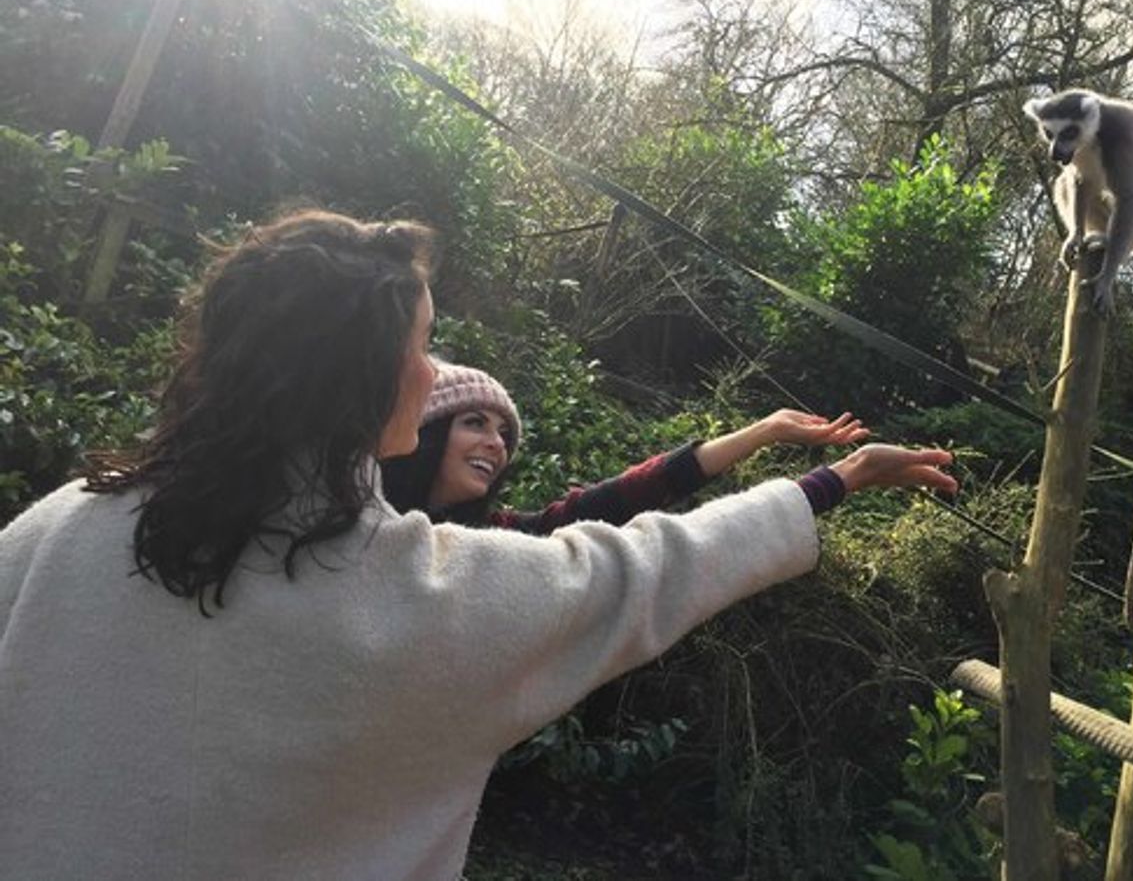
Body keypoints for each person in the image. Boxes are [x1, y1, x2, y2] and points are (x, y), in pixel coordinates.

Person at [0, 209, 958, 881]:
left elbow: (606, 512)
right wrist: (837, 480)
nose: (434, 375)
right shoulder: (422, 602)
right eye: (422, 346)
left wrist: (764, 445)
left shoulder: (59, 525)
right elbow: (647, 564)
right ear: (361, 377)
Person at [381, 357, 871, 534]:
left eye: (504, 434)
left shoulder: (499, 539)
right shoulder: (348, 516)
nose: (495, 444)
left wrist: (763, 433)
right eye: (474, 423)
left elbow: (625, 496)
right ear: (427, 431)